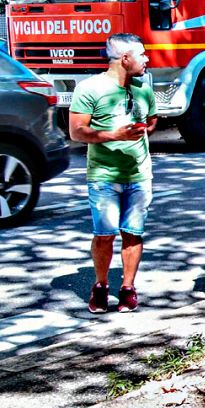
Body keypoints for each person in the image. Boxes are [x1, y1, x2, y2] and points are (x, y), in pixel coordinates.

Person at [70, 34, 158, 314]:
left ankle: (128, 288)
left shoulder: (143, 88)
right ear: (125, 59)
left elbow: (153, 119)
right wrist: (113, 135)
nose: (147, 59)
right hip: (104, 176)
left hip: (139, 174)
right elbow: (76, 131)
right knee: (104, 235)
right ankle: (101, 285)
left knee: (133, 233)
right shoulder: (90, 88)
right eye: (141, 54)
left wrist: (143, 129)